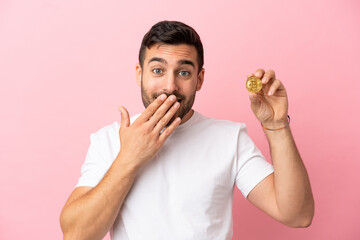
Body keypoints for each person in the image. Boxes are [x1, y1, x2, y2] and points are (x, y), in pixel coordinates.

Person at [60, 20, 314, 240]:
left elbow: (297, 214)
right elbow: (76, 234)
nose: (170, 86)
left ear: (199, 79)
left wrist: (276, 124)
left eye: (183, 72)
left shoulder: (229, 138)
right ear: (139, 74)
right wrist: (129, 158)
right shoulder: (108, 140)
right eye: (157, 70)